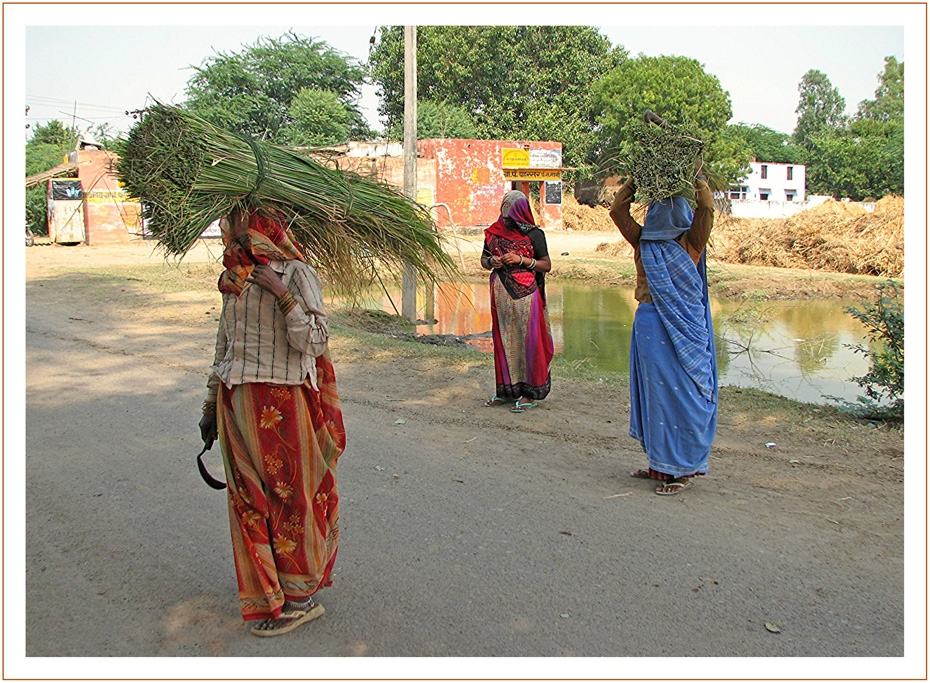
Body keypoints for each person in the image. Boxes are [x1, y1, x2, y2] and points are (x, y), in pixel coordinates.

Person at [198, 207, 346, 636]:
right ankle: (269, 596)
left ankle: (297, 594)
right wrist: (210, 405)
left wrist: (282, 295)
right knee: (247, 501)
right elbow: (225, 345)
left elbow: (315, 342)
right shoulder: (234, 279)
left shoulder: (297, 273)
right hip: (235, 402)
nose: (232, 235)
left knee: (290, 498)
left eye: (238, 227)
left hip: (281, 402)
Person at [609, 167, 717, 495]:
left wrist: (633, 182)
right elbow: (707, 210)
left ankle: (681, 469)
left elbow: (617, 210)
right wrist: (699, 182)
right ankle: (661, 465)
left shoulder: (648, 240)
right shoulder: (687, 242)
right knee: (658, 395)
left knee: (679, 394)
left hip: (662, 326)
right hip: (653, 326)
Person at [480, 190, 554, 413]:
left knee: (528, 341)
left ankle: (530, 393)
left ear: (520, 210)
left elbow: (546, 265)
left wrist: (521, 260)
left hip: (526, 295)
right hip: (501, 293)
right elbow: (483, 260)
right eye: (504, 208)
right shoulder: (494, 233)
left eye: (510, 210)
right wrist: (493, 260)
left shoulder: (534, 234)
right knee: (505, 341)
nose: (506, 214)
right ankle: (507, 392)